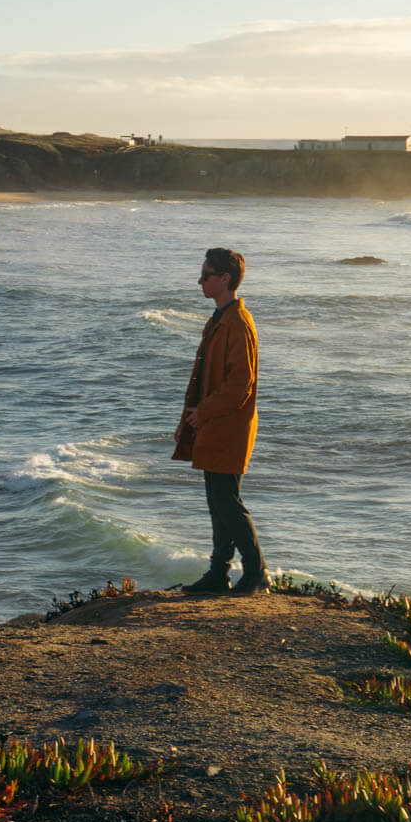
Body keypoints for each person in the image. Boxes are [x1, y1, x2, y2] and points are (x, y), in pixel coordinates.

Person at [173, 247, 265, 594]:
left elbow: (240, 385)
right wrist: (189, 418)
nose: (200, 280)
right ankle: (218, 573)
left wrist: (204, 412)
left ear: (225, 279)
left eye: (207, 274)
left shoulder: (237, 323)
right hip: (214, 424)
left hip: (228, 425)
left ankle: (255, 572)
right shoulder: (220, 319)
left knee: (226, 500)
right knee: (219, 500)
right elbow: (205, 379)